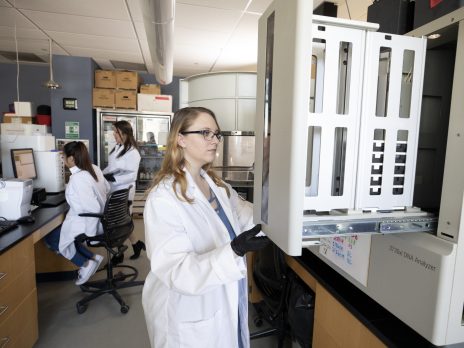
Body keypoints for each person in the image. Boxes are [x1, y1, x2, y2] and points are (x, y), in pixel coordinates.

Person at [142, 106, 269, 348]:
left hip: (224, 298)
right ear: (180, 138)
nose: (214, 141)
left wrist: (282, 216)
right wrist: (234, 251)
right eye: (205, 133)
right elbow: (176, 270)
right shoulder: (164, 197)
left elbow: (247, 217)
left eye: (216, 134)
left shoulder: (216, 185)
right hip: (188, 310)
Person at [45, 141, 109, 285]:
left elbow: (92, 208)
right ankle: (92, 258)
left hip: (89, 222)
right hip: (102, 219)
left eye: (63, 157)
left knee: (52, 238)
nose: (62, 160)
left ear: (72, 159)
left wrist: (92, 237)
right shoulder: (94, 168)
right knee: (60, 234)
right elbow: (107, 187)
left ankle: (85, 263)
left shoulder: (78, 179)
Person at [102, 120, 145, 262]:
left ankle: (119, 253)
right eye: (113, 131)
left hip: (124, 190)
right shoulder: (117, 148)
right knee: (123, 221)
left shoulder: (133, 152)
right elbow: (111, 167)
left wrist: (114, 179)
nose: (114, 134)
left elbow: (132, 175)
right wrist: (100, 175)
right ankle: (136, 244)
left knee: (119, 223)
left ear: (125, 133)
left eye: (116, 132)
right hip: (114, 189)